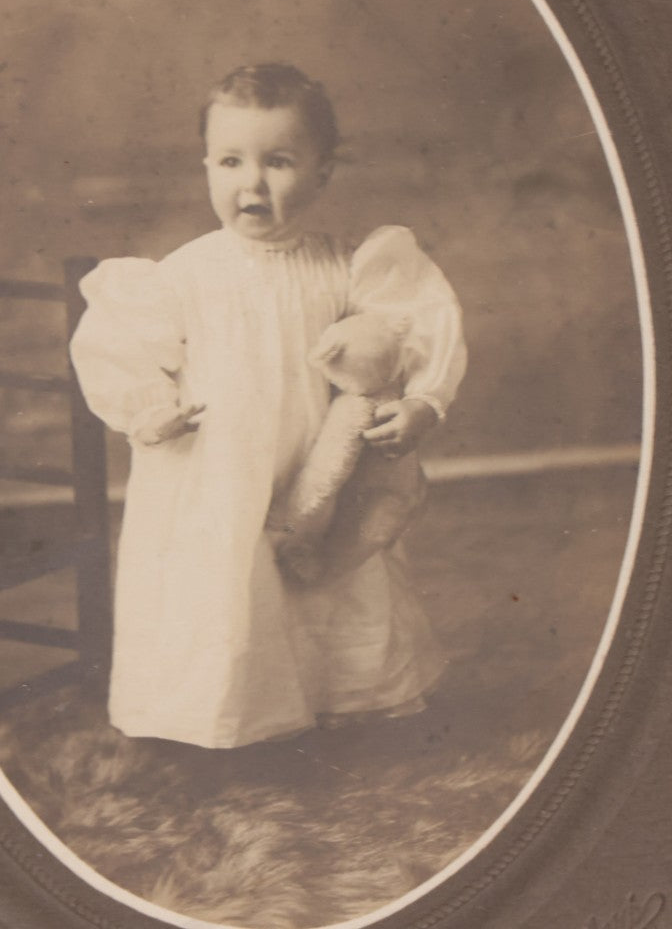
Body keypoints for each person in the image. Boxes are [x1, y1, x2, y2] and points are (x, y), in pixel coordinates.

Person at [70, 63, 467, 749]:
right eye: (231, 161)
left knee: (327, 580)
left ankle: (336, 703)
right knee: (225, 585)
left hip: (315, 462)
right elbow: (119, 348)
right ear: (206, 166)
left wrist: (424, 401)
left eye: (278, 162)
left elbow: (411, 331)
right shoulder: (184, 275)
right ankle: (220, 718)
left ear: (322, 173)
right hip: (218, 469)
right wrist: (150, 408)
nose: (251, 184)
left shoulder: (346, 267)